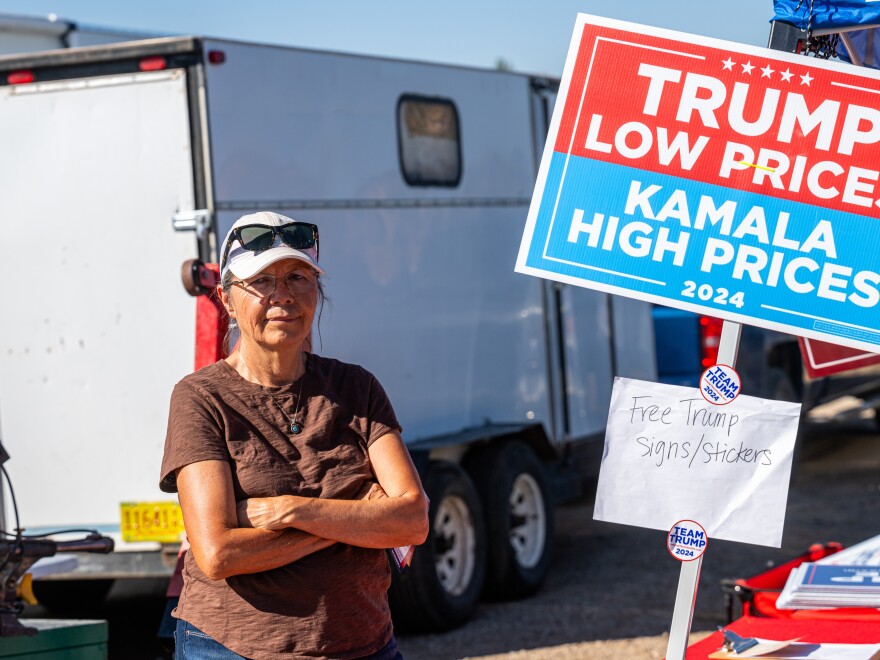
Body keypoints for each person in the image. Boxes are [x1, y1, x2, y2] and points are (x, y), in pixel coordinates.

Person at [159, 211, 429, 660]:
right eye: (262, 281)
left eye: (298, 277)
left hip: (364, 644)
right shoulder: (200, 398)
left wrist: (293, 511)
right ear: (226, 299)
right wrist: (355, 520)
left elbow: (412, 521)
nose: (282, 295)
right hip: (235, 649)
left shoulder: (357, 389)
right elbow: (218, 553)